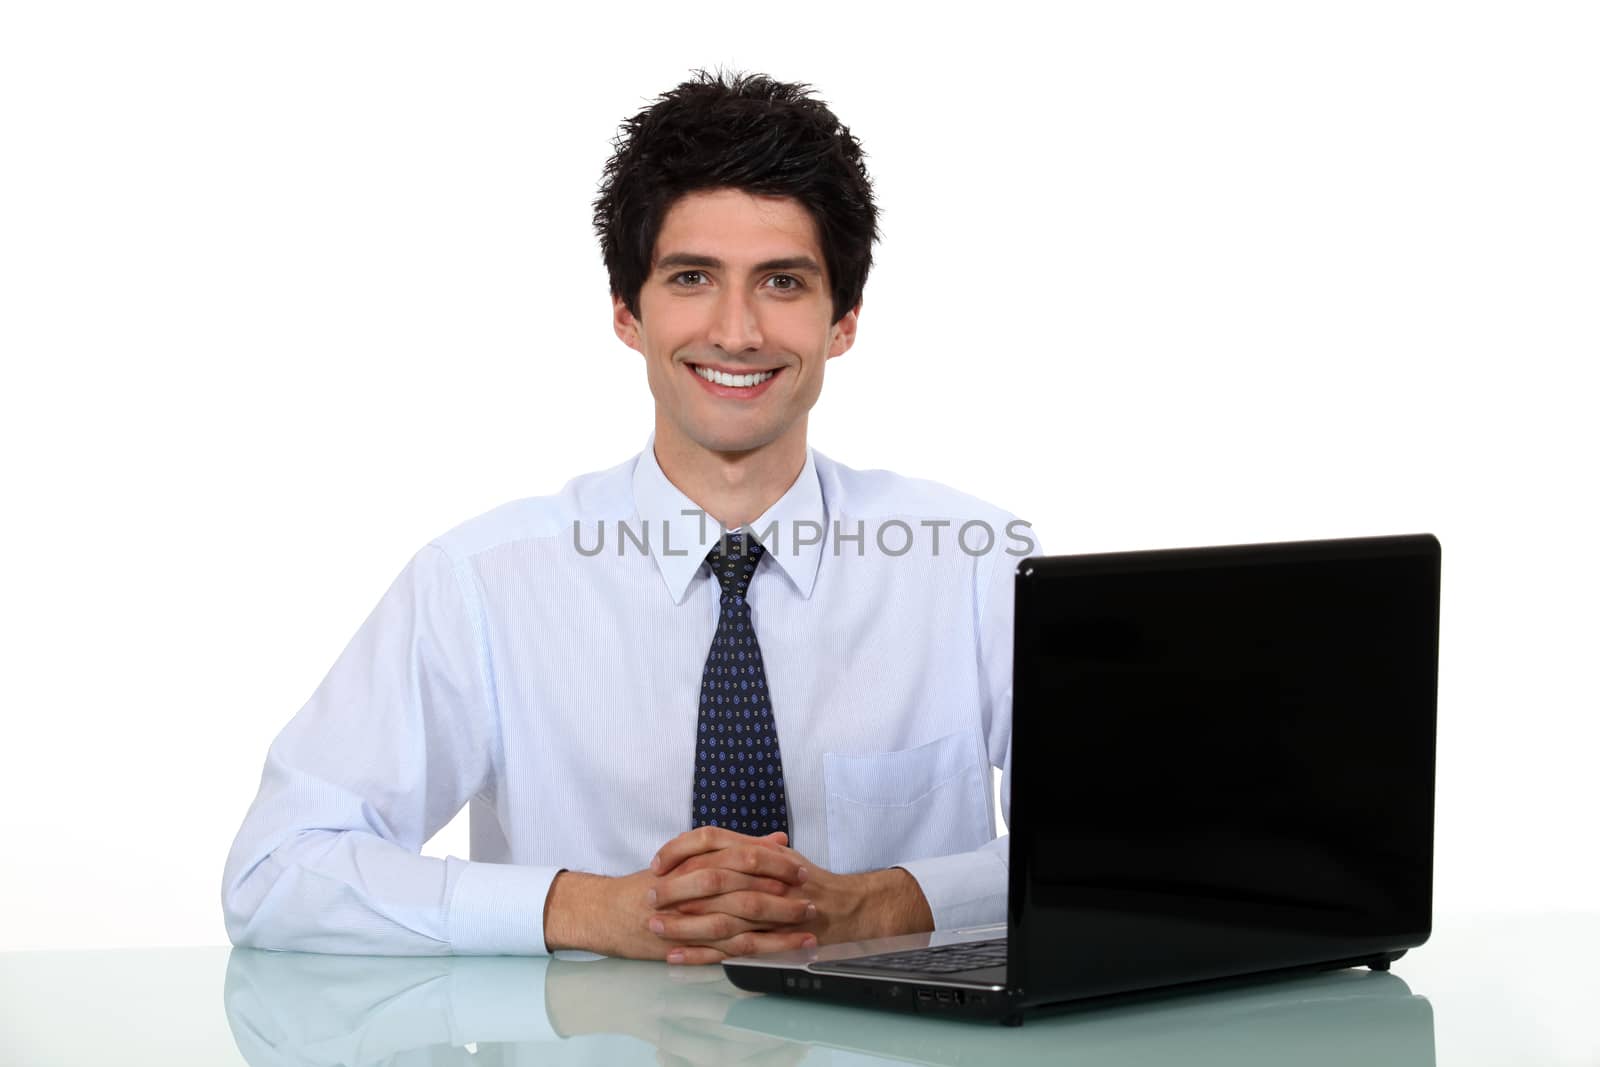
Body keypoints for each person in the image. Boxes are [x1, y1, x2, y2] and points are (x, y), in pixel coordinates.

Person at [222, 69, 1036, 963]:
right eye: (692, 278)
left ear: (843, 321)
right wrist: (587, 910)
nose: (736, 330)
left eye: (783, 282)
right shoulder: (484, 584)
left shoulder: (974, 564)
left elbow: (1131, 849)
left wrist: (889, 903)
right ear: (626, 313)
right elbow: (275, 869)